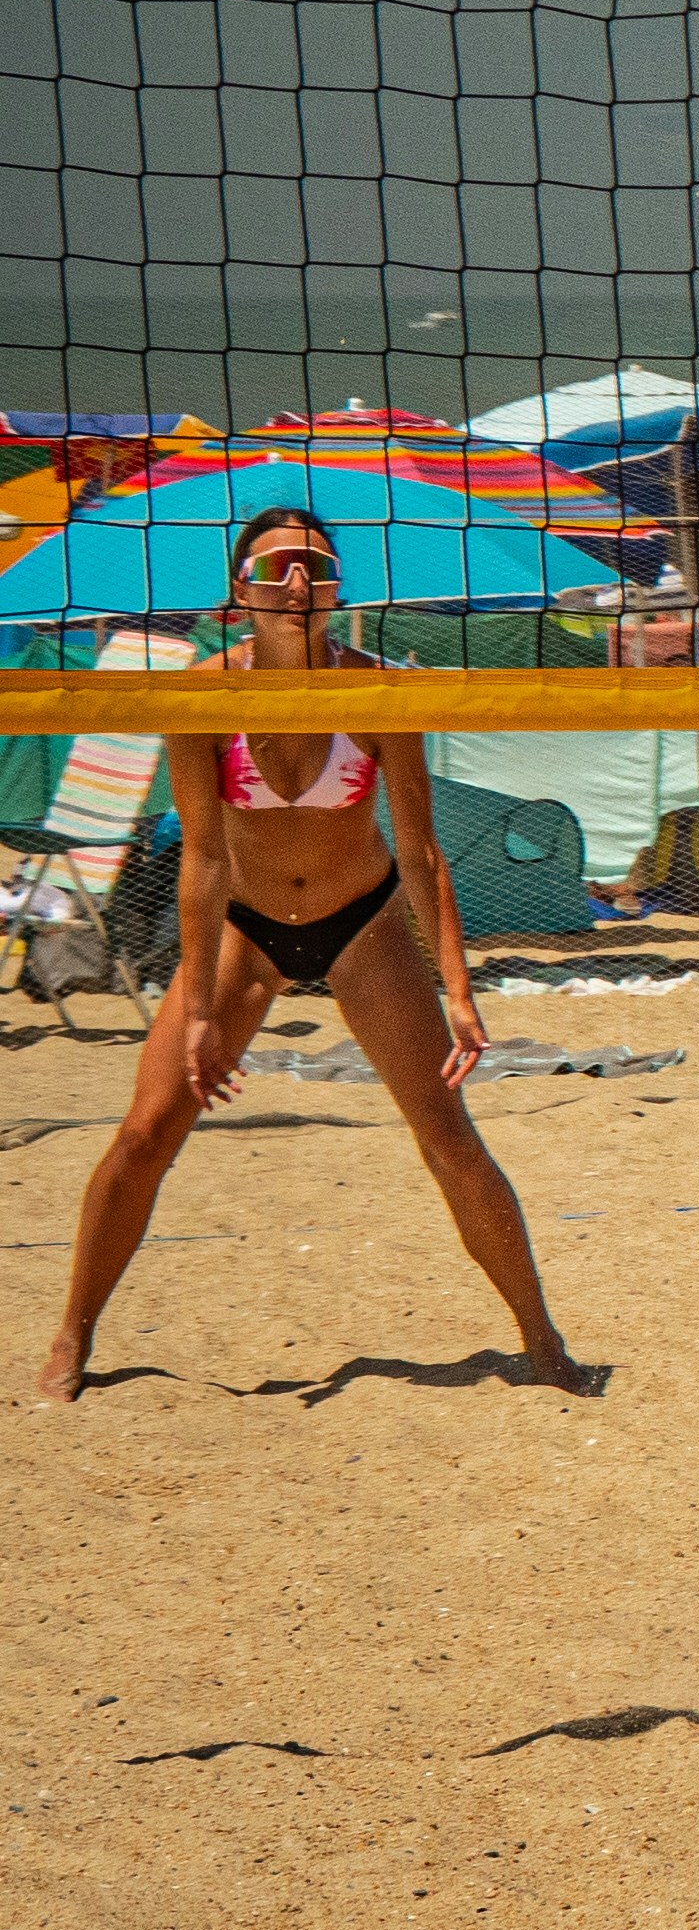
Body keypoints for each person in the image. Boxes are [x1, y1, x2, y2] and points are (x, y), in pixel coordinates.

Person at [37, 511, 590, 1402]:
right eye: (278, 567)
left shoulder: (377, 688)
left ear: (335, 588)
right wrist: (201, 1011)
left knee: (448, 1138)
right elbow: (203, 859)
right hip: (245, 927)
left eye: (316, 567)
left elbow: (421, 853)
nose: (297, 583)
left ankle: (543, 1341)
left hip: (362, 924)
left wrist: (459, 987)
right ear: (240, 590)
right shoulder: (202, 695)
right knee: (144, 1134)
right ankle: (72, 1336)